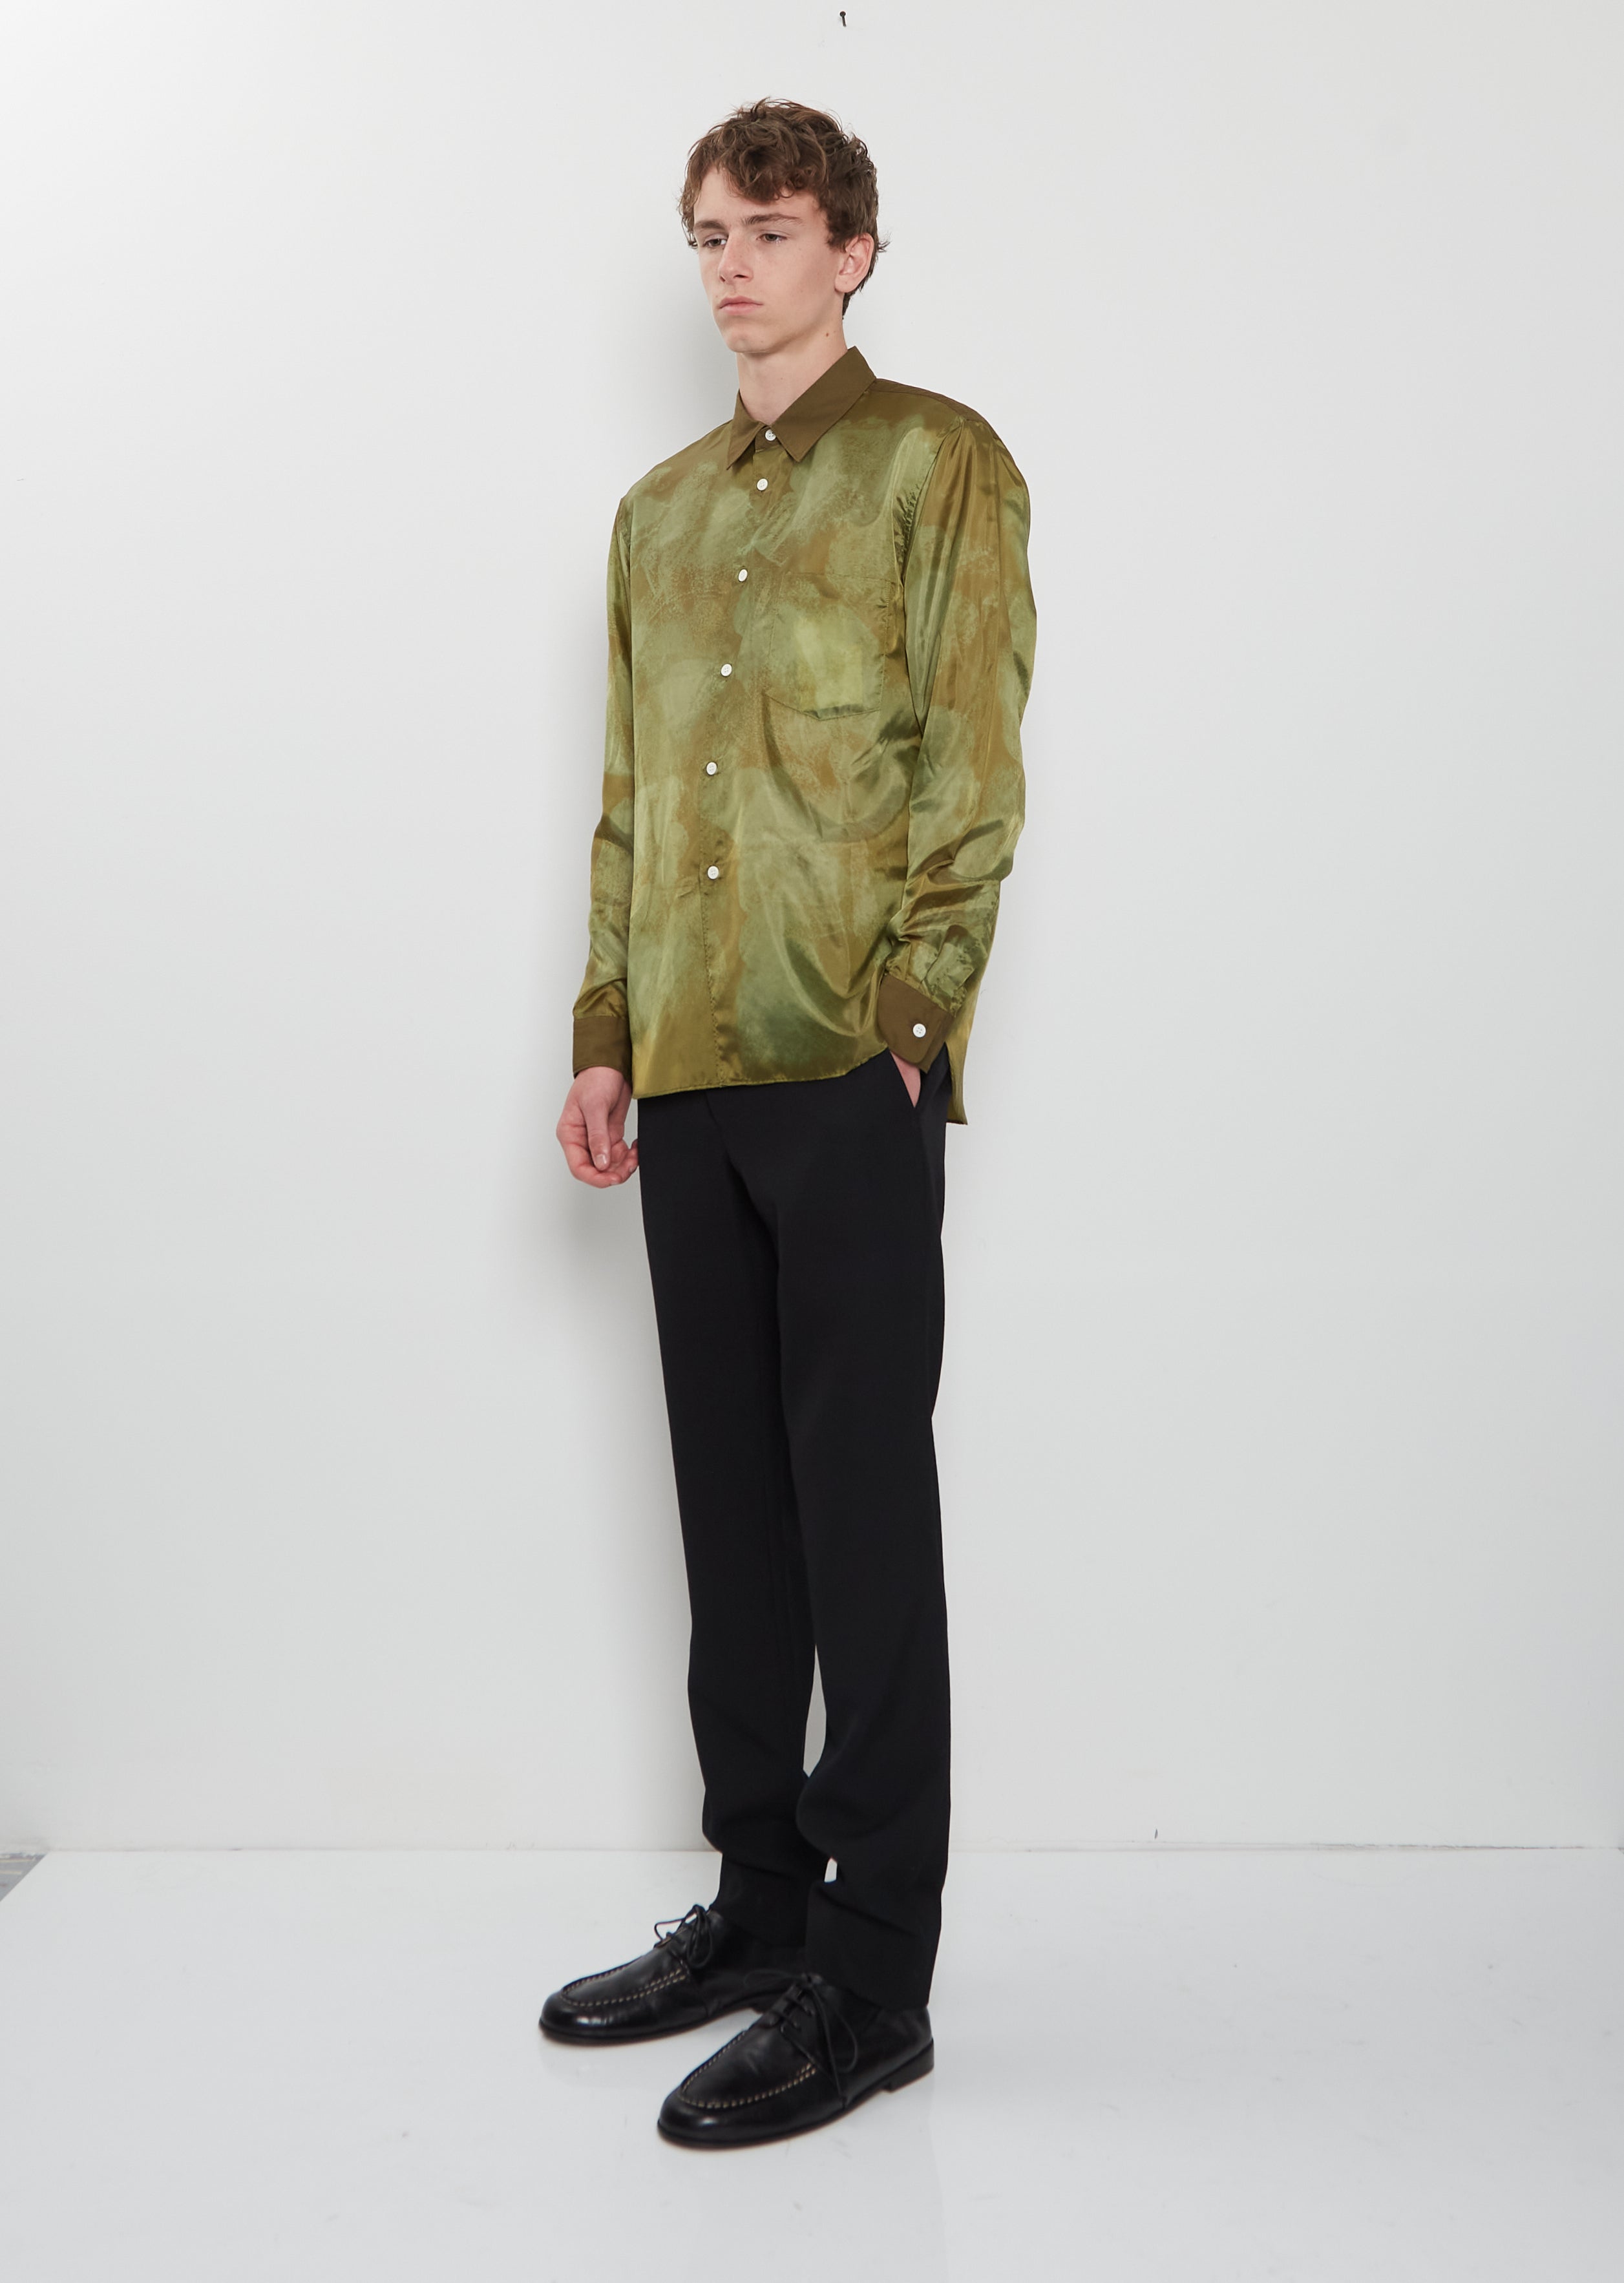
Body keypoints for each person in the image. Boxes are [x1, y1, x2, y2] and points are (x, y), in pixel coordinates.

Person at [543, 98, 1035, 2149]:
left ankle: (873, 1976)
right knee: (731, 1515)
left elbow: (970, 762)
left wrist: (911, 1022)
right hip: (683, 1070)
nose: (728, 264)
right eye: (706, 235)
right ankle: (756, 1911)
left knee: (861, 1522)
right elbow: (629, 802)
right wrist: (603, 1026)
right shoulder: (654, 518)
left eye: (764, 228)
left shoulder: (936, 463)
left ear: (851, 250)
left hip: (842, 1060)